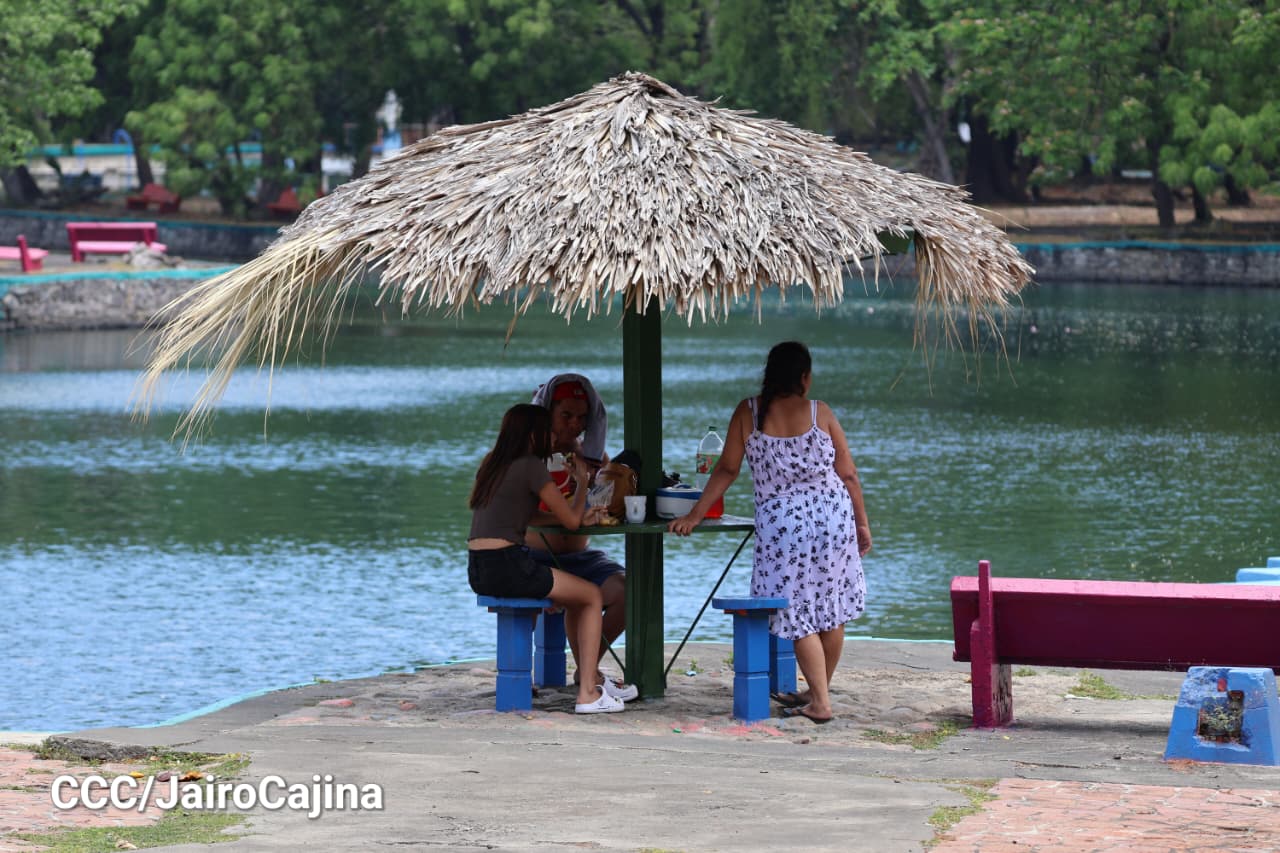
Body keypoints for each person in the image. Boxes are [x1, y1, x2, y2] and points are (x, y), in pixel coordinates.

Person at [668, 341, 872, 723]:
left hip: (783, 524)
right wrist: (861, 522)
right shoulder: (819, 412)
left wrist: (695, 514)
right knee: (830, 607)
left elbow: (727, 469)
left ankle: (820, 701)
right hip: (832, 515)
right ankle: (818, 694)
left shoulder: (749, 412)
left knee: (797, 610)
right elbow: (848, 475)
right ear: (805, 379)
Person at [467, 404, 626, 714]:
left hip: (479, 568)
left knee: (578, 595)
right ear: (532, 434)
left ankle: (585, 682)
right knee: (591, 596)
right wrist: (581, 482)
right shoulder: (530, 466)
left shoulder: (493, 463)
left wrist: (583, 517)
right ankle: (587, 693)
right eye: (549, 430)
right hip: (510, 563)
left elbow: (523, 516)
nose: (554, 436)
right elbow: (568, 522)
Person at [524, 374, 635, 701]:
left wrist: (603, 486)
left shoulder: (594, 458)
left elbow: (603, 507)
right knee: (525, 600)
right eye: (566, 416)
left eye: (582, 418)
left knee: (628, 591)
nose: (575, 424)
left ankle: (588, 668)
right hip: (533, 557)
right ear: (548, 413)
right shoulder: (528, 457)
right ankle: (521, 674)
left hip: (580, 560)